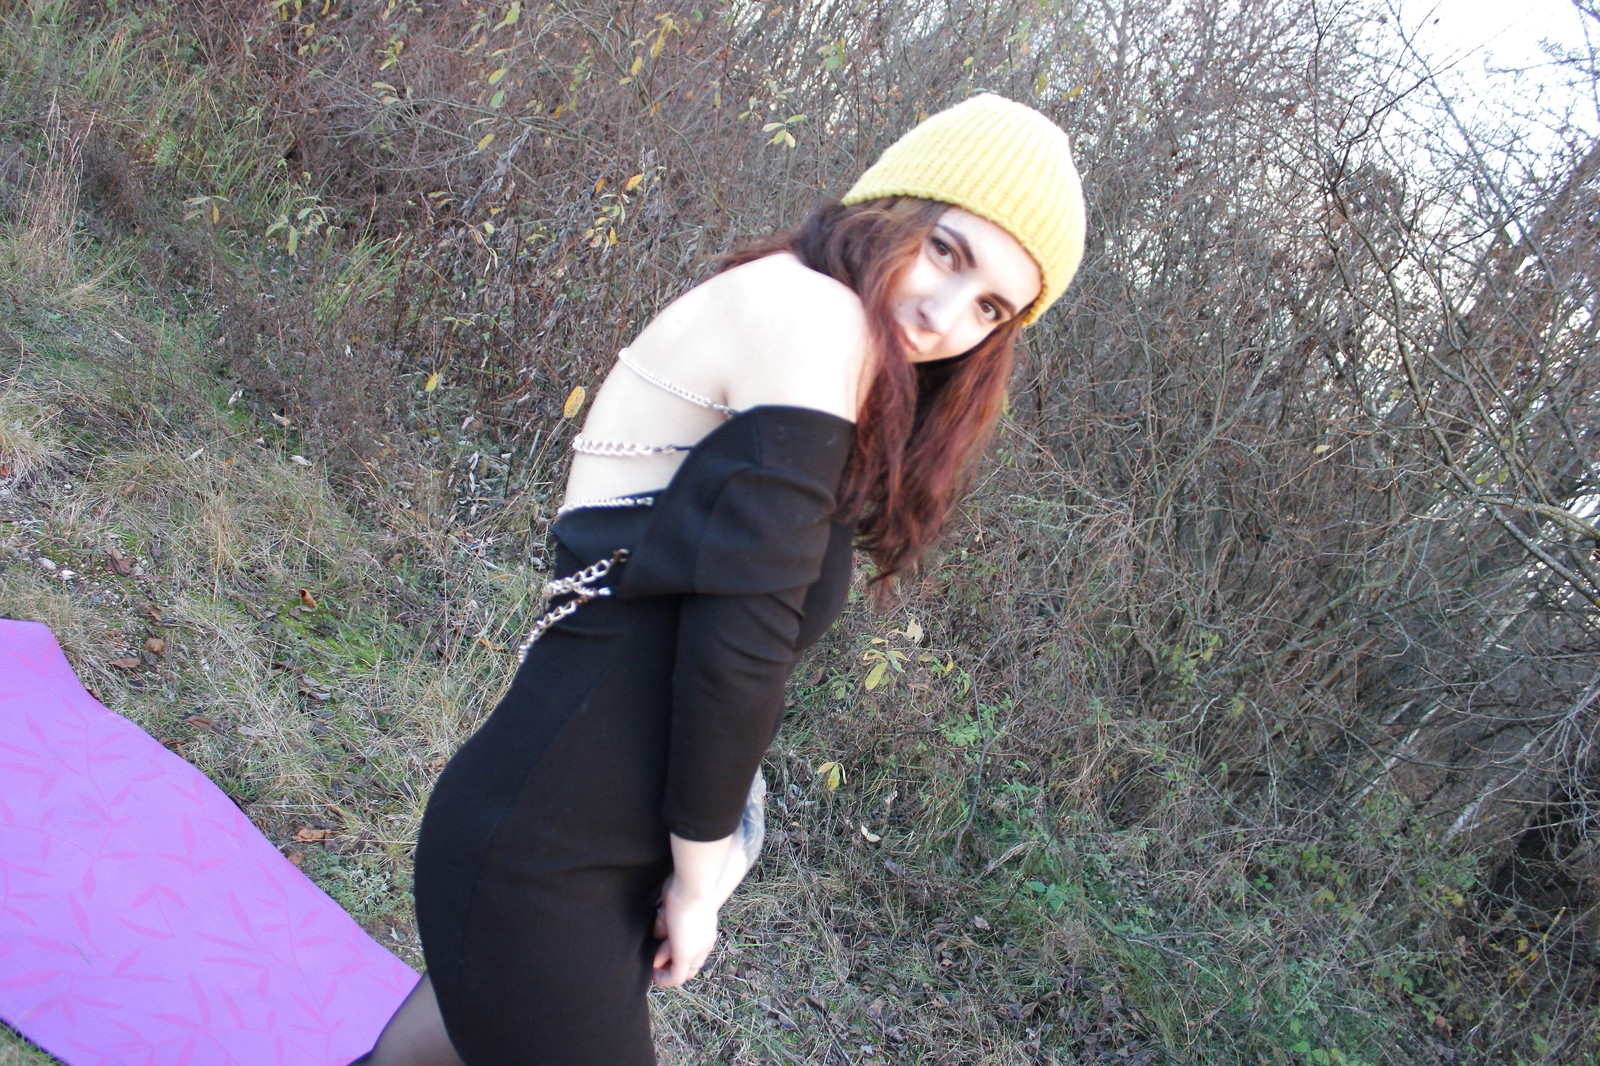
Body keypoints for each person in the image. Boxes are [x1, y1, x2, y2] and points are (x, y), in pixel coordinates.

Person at [353, 93, 1086, 1065]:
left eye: (991, 307)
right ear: (893, 206)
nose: (945, 314)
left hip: (564, 832)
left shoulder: (806, 318)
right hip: (548, 855)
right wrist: (701, 885)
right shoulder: (817, 318)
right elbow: (738, 649)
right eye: (946, 251)